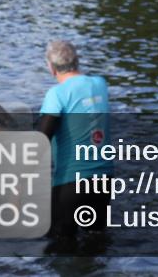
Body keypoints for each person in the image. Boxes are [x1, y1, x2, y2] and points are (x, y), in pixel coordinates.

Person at [37, 40, 112, 239]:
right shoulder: (100, 84)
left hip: (71, 183)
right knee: (96, 242)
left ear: (51, 68)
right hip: (103, 180)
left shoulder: (57, 95)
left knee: (60, 249)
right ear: (77, 61)